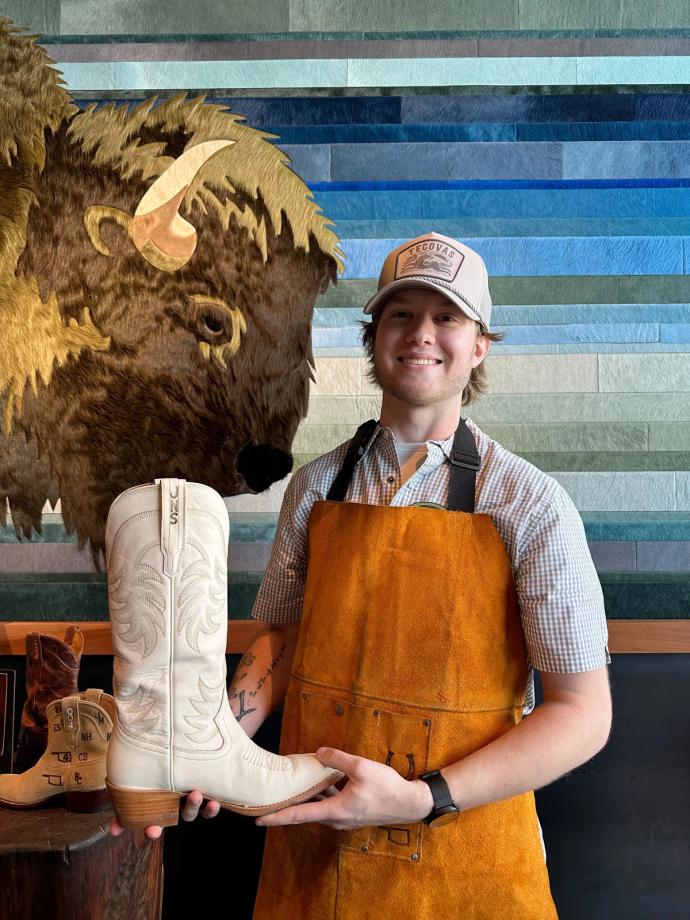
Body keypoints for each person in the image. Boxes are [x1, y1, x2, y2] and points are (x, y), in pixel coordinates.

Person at [115, 232, 611, 918]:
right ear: (373, 334)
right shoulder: (316, 488)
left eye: (447, 318)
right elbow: (281, 638)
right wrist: (209, 748)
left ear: (480, 344)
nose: (422, 335)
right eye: (401, 314)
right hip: (314, 855)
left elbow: (583, 714)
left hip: (464, 865)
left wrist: (421, 798)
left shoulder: (530, 505)